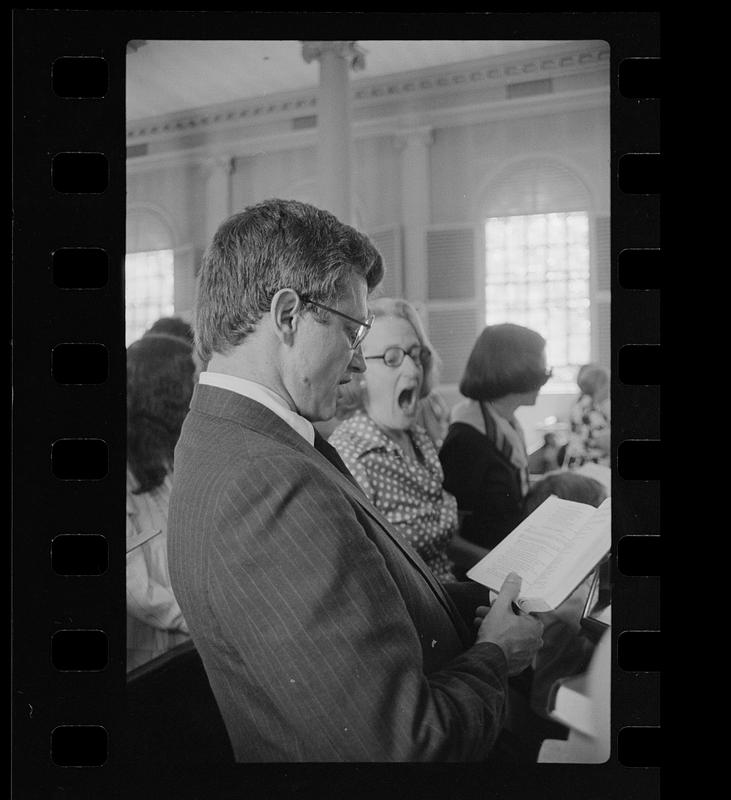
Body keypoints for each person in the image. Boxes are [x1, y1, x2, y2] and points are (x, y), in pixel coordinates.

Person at [167, 199, 543, 762]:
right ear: (289, 315)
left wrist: (491, 603)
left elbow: (368, 597)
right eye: (352, 331)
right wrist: (495, 655)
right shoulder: (267, 482)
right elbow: (401, 746)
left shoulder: (235, 433)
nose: (361, 364)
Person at [329, 297, 458, 582]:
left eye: (416, 355)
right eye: (392, 358)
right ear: (357, 370)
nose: (413, 370)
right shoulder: (350, 456)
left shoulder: (419, 439)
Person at [439, 324, 551, 562]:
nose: (545, 381)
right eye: (541, 372)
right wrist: (503, 566)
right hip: (488, 576)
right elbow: (450, 539)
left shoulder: (507, 423)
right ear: (513, 371)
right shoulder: (465, 440)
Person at [126, 333, 195, 671]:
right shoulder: (125, 473)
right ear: (168, 392)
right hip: (151, 661)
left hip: (190, 645)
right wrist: (206, 623)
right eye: (192, 382)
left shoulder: (175, 455)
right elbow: (138, 588)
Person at [564, 363, 611, 468]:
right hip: (589, 468)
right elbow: (604, 442)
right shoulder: (590, 410)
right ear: (599, 386)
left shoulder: (581, 403)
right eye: (608, 383)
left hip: (579, 465)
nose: (609, 388)